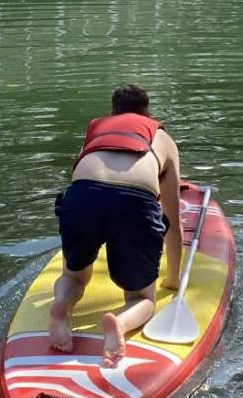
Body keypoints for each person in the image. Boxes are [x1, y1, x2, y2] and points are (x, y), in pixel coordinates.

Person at [49, 84, 183, 367]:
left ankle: (62, 303)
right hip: (133, 203)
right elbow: (173, 217)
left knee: (74, 276)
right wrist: (173, 280)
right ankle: (119, 324)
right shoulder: (162, 137)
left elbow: (80, 175)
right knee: (142, 298)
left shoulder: (96, 131)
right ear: (148, 113)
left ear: (111, 112)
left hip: (83, 195)